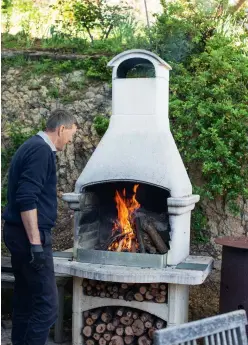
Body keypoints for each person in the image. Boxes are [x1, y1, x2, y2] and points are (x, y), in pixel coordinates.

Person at [3, 109, 77, 345]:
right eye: (71, 134)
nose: (70, 140)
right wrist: (35, 244)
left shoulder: (32, 146)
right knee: (47, 306)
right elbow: (27, 198)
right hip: (28, 238)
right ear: (61, 129)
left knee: (26, 300)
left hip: (17, 234)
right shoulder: (40, 151)